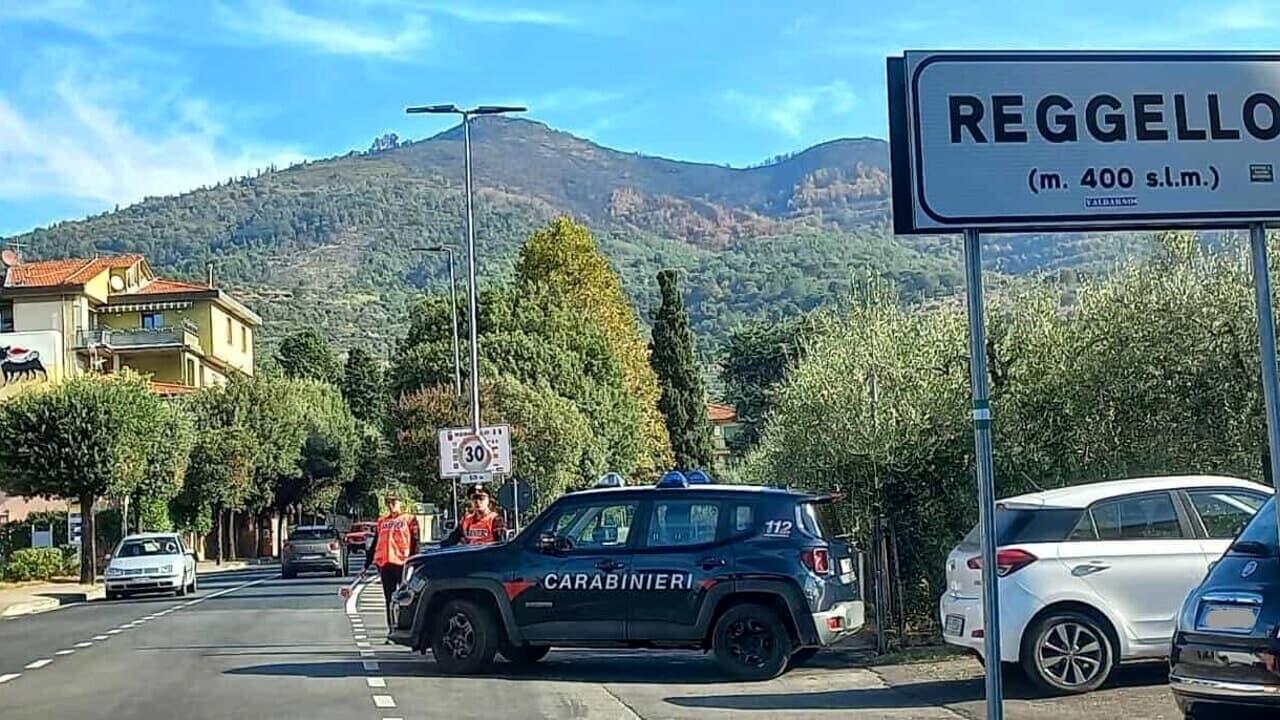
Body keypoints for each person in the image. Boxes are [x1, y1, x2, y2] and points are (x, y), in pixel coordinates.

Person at [364, 495, 419, 628]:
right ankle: (391, 628)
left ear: (400, 503)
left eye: (394, 502)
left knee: (405, 598)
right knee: (389, 599)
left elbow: (415, 542)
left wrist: (414, 561)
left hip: (403, 564)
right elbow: (375, 544)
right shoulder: (382, 521)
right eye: (388, 502)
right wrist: (366, 565)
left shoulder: (409, 519)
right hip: (386, 564)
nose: (391, 505)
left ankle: (406, 627)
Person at [442, 486, 506, 547]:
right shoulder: (466, 520)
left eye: (481, 498)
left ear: (488, 500)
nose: (477, 502)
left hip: (489, 555)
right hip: (471, 555)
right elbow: (452, 539)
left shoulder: (496, 519)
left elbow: (500, 543)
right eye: (474, 499)